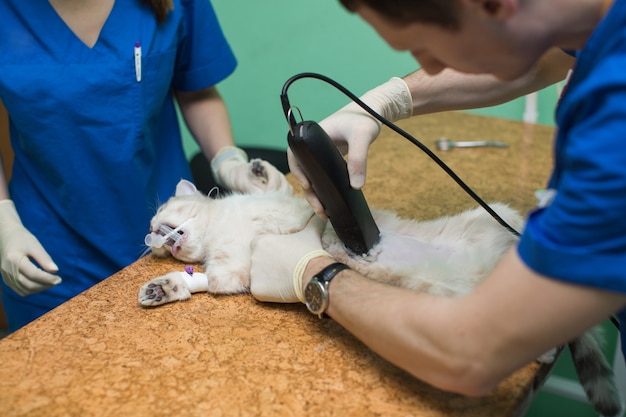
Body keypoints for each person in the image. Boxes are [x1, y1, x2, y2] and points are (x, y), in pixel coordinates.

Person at [249, 0, 626, 398]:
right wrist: (386, 100)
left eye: (424, 46)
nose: (429, 67)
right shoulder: (590, 23)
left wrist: (314, 275)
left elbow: (471, 352)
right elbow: (541, 56)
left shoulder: (615, 119)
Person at [0, 0, 288, 332]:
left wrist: (227, 160)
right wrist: (4, 223)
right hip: (49, 258)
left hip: (173, 243)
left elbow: (195, 90)